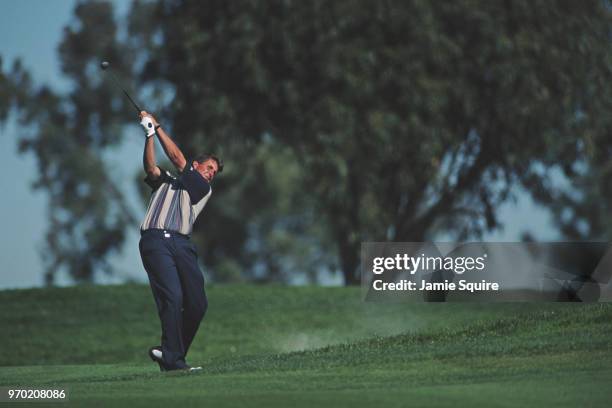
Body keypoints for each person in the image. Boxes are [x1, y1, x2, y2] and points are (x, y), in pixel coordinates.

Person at [137, 111, 222, 371]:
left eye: (214, 172)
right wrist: (149, 135)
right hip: (155, 242)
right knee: (172, 297)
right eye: (209, 168)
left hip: (182, 245)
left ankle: (170, 353)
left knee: (197, 303)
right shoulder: (166, 181)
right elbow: (151, 168)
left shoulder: (201, 188)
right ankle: (174, 360)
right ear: (197, 165)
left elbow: (177, 158)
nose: (211, 174)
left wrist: (158, 126)